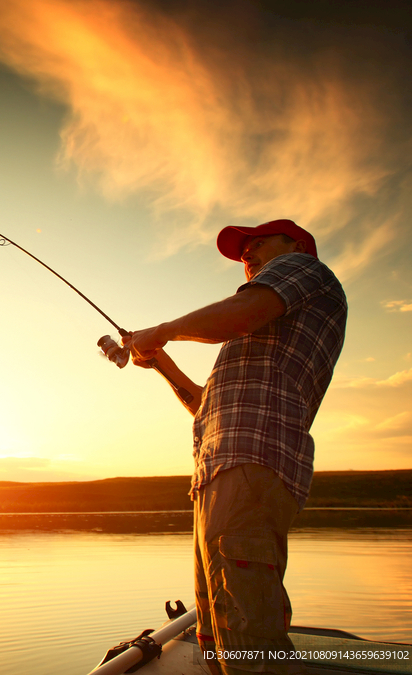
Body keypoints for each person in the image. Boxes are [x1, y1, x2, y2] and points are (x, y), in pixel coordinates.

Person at [101, 219, 347, 675]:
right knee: (217, 633)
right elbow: (204, 407)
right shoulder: (265, 322)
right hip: (221, 475)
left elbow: (237, 315)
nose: (247, 255)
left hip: (250, 468)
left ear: (296, 244)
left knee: (248, 633)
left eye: (257, 243)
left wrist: (163, 330)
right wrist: (161, 362)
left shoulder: (304, 269)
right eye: (243, 251)